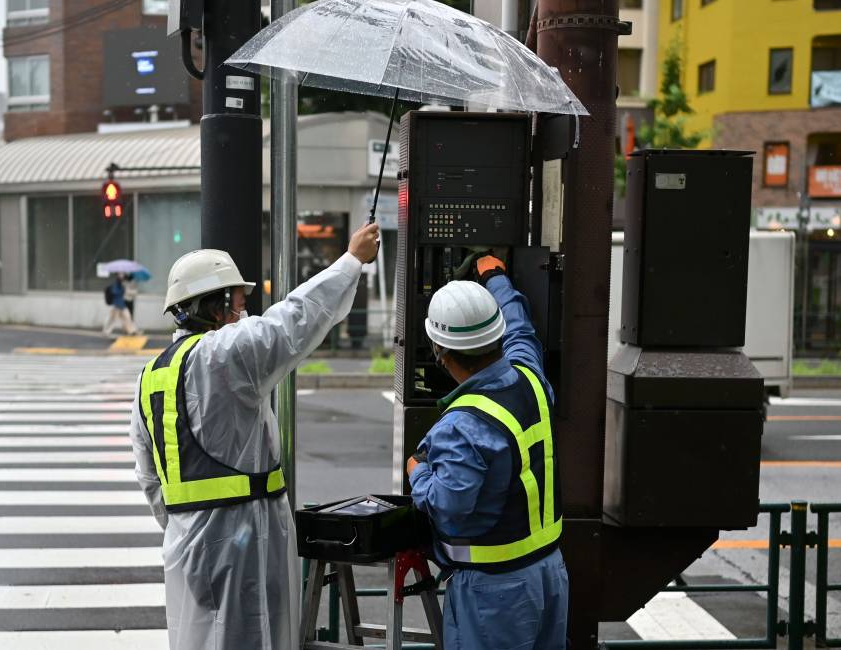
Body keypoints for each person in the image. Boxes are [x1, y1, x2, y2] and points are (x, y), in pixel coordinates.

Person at [130, 222, 379, 650]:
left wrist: (185, 527)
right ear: (216, 305)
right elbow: (294, 321)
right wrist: (351, 260)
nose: (244, 314)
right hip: (242, 535)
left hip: (188, 539)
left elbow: (150, 477)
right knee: (255, 638)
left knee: (202, 640)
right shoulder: (223, 353)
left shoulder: (152, 375)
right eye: (239, 303)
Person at [406, 254, 569, 650]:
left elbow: (448, 505)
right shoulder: (531, 379)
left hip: (494, 593)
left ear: (439, 352)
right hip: (549, 574)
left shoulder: (461, 426)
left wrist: (417, 473)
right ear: (496, 336)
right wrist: (494, 275)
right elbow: (521, 329)